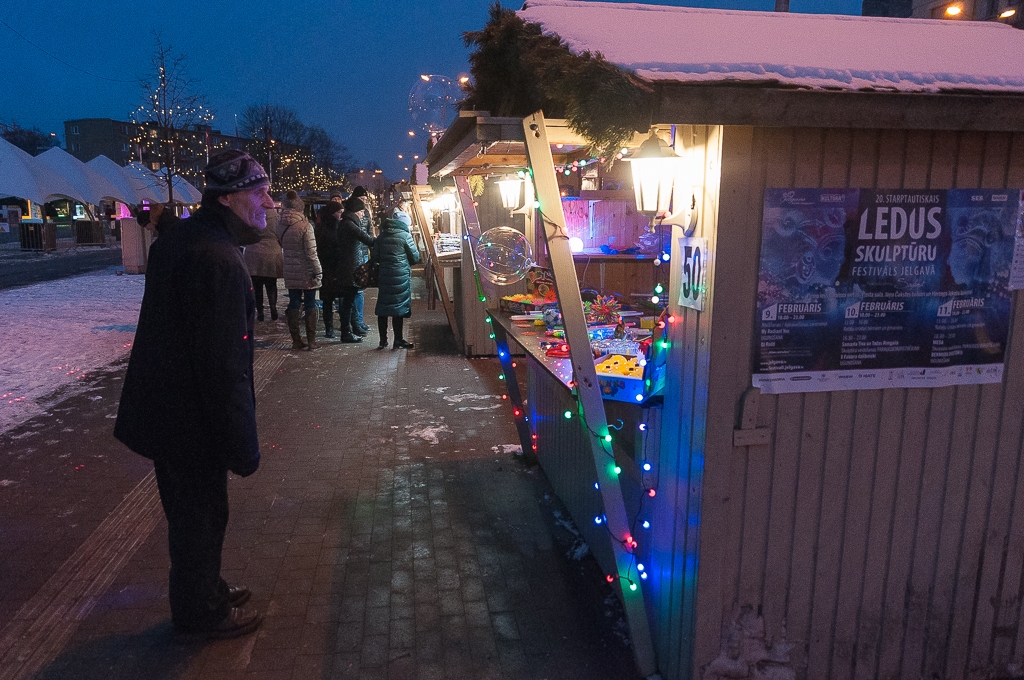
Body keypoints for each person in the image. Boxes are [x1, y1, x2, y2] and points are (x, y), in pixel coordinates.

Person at [113, 149, 269, 642]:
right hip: (189, 417)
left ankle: (208, 590)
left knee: (193, 512)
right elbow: (223, 364)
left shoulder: (187, 238)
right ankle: (201, 611)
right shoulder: (216, 258)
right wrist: (242, 443)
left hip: (167, 408)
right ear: (228, 199)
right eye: (259, 192)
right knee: (199, 516)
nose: (268, 202)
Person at [278, 190, 322, 350]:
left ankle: (296, 340)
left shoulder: (280, 225)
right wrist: (318, 271)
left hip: (290, 271)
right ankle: (311, 341)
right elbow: (311, 253)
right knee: (310, 304)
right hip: (306, 272)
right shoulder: (305, 226)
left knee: (294, 303)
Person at [373, 208, 420, 349]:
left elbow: (375, 257)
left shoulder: (381, 237)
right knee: (398, 307)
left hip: (385, 275)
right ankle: (398, 340)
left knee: (383, 307)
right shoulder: (405, 236)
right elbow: (415, 257)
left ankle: (383, 341)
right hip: (401, 276)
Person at [335, 195, 377, 343]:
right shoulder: (349, 224)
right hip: (349, 269)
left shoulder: (347, 223)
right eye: (361, 211)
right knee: (348, 302)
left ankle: (353, 328)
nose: (363, 214)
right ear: (354, 211)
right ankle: (346, 332)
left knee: (349, 300)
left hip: (349, 267)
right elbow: (368, 239)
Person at [243, 205, 283, 321]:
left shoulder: (251, 215)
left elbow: (245, 235)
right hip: (272, 253)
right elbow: (280, 235)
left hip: (254, 253)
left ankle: (260, 312)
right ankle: (273, 308)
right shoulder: (276, 217)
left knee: (257, 286)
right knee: (271, 284)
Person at [315, 200, 344, 338]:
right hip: (329, 267)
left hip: (334, 268)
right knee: (329, 300)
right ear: (332, 213)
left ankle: (335, 328)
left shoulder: (335, 226)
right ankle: (330, 328)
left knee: (334, 299)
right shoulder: (325, 229)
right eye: (339, 212)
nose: (341, 215)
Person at [347, 186, 373, 335]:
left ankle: (359, 321)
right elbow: (364, 235)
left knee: (359, 291)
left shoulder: (366, 214)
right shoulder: (350, 218)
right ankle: (355, 322)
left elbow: (369, 232)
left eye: (365, 199)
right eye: (361, 199)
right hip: (353, 255)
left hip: (362, 254)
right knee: (354, 291)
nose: (363, 202)